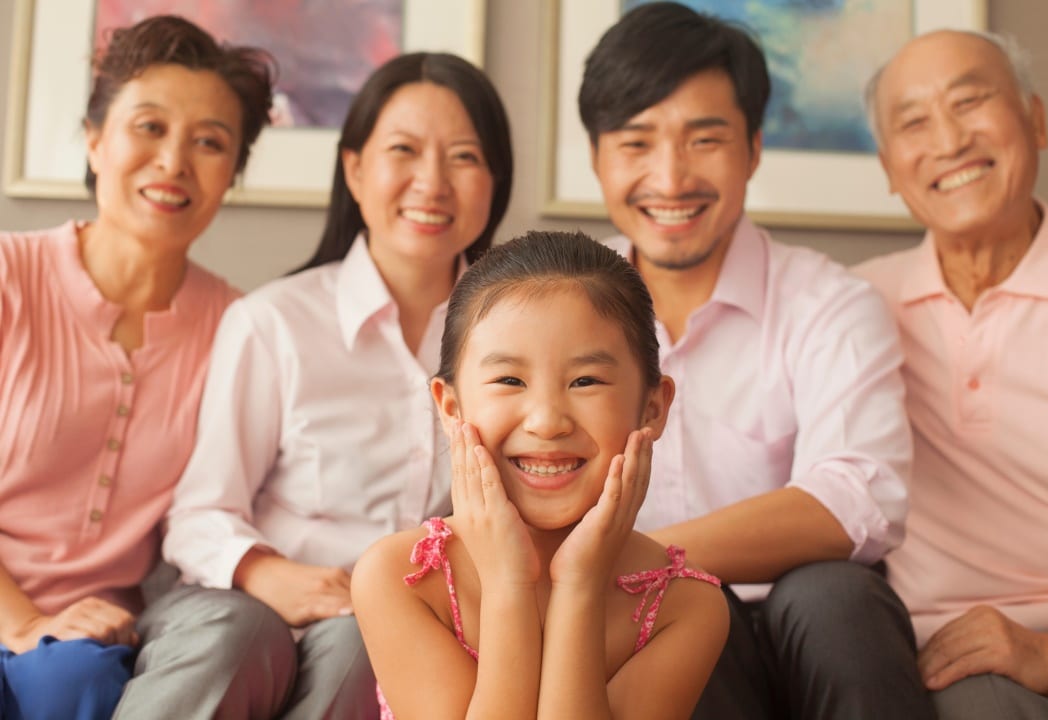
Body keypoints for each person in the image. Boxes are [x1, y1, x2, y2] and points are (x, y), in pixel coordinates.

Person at [577, 4, 933, 719]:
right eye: (637, 142)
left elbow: (857, 498)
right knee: (675, 615)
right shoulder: (564, 314)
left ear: (754, 148)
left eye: (704, 139)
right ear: (597, 159)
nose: (670, 177)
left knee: (836, 593)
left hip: (813, 633)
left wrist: (639, 554)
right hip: (659, 636)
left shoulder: (831, 303)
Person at [155, 51, 513, 719]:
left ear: (495, 180)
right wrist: (265, 574)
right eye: (403, 150)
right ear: (353, 167)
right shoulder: (273, 323)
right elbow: (200, 513)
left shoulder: (518, 334)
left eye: (463, 157)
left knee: (365, 642)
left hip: (434, 630)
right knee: (346, 642)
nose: (431, 182)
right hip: (266, 612)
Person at [0, 14, 275, 720]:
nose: (174, 162)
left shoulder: (241, 327)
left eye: (210, 142)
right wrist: (24, 623)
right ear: (95, 139)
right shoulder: (8, 276)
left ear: (231, 174)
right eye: (148, 127)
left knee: (74, 686)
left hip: (97, 646)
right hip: (20, 621)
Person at [352, 230, 729, 719]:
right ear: (449, 406)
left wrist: (580, 586)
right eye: (510, 380)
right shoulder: (398, 577)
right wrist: (508, 583)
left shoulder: (685, 607)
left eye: (586, 381)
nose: (548, 420)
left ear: (653, 406)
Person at [856, 29, 1048, 719]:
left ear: (1035, 120)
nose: (949, 139)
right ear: (891, 170)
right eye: (914, 122)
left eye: (971, 100)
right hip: (950, 663)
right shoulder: (856, 308)